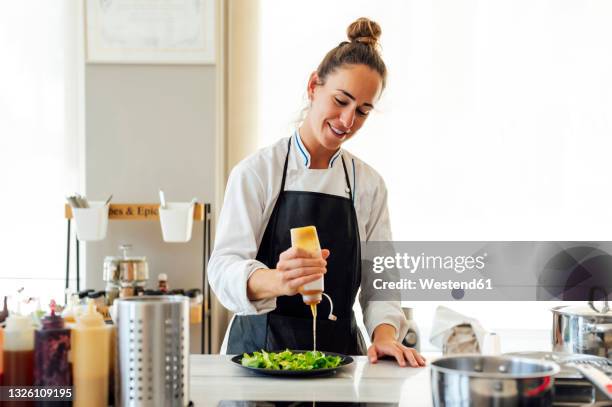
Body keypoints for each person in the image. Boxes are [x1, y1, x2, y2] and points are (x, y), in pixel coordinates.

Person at [209, 17, 425, 367]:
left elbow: (380, 282)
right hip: (255, 355)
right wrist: (278, 280)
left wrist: (385, 336)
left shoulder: (368, 185)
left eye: (363, 111)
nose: (347, 121)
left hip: (338, 357)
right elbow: (222, 268)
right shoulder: (257, 172)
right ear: (314, 86)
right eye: (341, 100)